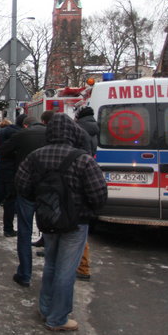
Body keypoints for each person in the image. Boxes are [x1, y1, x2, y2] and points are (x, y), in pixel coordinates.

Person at [15, 113, 107, 331]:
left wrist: (39, 201)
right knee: (66, 270)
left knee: (51, 265)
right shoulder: (82, 158)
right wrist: (89, 210)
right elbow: (98, 194)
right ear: (71, 132)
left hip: (48, 219)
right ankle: (58, 318)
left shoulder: (36, 156)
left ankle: (45, 308)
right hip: (75, 223)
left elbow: (21, 184)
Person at [0, 111, 51, 286]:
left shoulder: (22, 134)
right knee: (51, 229)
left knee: (24, 230)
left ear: (26, 124)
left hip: (26, 188)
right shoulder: (51, 135)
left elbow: (2, 150)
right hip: (47, 190)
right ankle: (50, 274)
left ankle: (25, 273)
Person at [74, 106, 99, 282]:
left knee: (77, 230)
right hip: (85, 180)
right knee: (81, 230)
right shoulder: (96, 128)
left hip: (75, 181)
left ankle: (82, 267)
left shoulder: (79, 130)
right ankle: (83, 266)